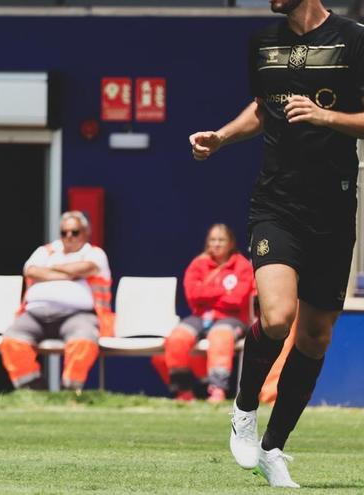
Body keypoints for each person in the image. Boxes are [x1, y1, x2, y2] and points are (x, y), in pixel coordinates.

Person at [189, 0, 364, 486]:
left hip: (333, 207)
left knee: (315, 336)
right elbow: (262, 111)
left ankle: (273, 447)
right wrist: (221, 137)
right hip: (276, 203)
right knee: (277, 316)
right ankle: (243, 411)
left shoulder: (354, 38)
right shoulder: (262, 42)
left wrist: (325, 117)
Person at [0, 211, 112, 394]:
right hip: (35, 315)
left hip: (77, 316)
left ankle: (69, 391)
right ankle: (35, 391)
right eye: (64, 232)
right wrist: (69, 275)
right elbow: (30, 271)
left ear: (85, 232)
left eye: (74, 232)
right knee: (11, 340)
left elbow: (84, 268)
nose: (69, 236)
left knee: (83, 341)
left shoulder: (94, 253)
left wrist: (50, 270)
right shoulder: (45, 250)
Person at [162, 224, 254, 403]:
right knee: (176, 338)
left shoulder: (242, 265)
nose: (217, 244)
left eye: (221, 240)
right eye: (213, 240)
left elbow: (237, 299)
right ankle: (183, 392)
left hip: (231, 318)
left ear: (231, 243)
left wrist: (207, 292)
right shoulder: (198, 264)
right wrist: (222, 291)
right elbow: (192, 296)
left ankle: (217, 390)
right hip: (201, 316)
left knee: (220, 337)